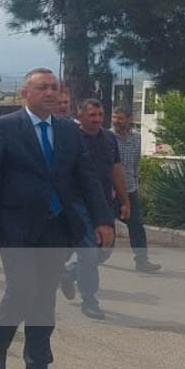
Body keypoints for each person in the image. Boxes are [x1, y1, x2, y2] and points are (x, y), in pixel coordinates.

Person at [0, 68, 114, 369]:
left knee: (44, 298)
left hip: (56, 226)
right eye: (43, 88)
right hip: (16, 226)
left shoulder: (69, 131)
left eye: (54, 88)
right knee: (21, 290)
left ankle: (37, 367)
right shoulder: (4, 127)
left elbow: (87, 179)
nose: (50, 93)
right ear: (26, 92)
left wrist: (103, 219)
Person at [60, 98, 130, 319]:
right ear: (80, 116)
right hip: (77, 203)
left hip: (103, 204)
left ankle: (69, 272)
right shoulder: (70, 139)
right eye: (92, 115)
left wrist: (125, 200)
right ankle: (89, 300)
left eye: (100, 115)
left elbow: (116, 171)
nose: (97, 120)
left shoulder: (109, 139)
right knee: (90, 251)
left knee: (104, 250)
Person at [111, 106, 160, 273]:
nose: (116, 121)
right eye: (114, 117)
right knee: (103, 229)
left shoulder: (136, 138)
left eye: (120, 118)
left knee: (137, 225)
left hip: (130, 190)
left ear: (130, 119)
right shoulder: (108, 137)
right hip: (110, 192)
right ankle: (85, 260)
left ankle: (142, 261)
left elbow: (135, 163)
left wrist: (136, 185)